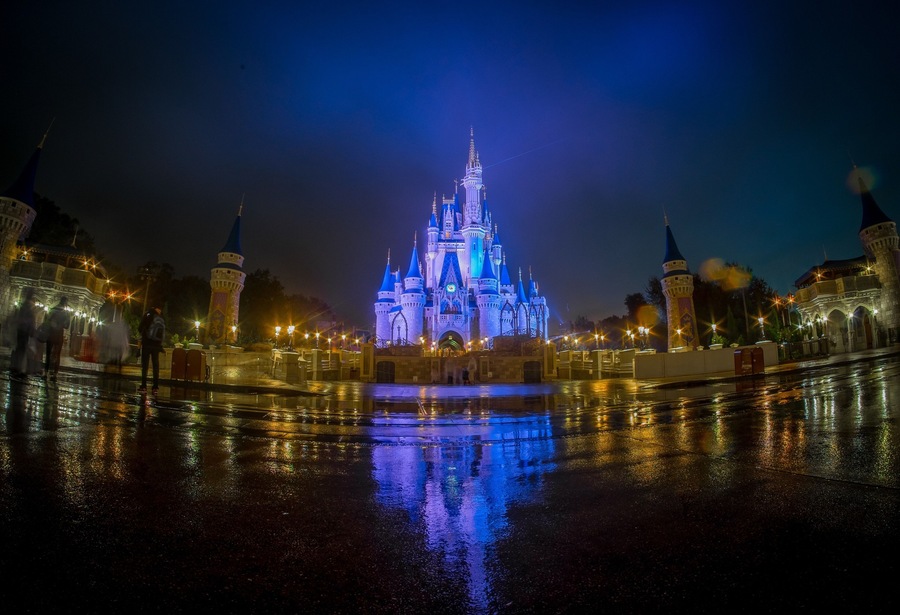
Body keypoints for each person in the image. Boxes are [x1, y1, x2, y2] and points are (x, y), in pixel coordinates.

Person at [10, 288, 37, 377]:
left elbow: (18, 317)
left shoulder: (23, 304)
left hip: (20, 329)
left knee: (19, 348)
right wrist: (32, 329)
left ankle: (16, 366)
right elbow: (32, 319)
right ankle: (21, 368)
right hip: (25, 330)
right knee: (23, 349)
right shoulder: (30, 306)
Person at [138, 306, 165, 393]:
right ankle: (155, 387)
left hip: (147, 344)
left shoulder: (147, 315)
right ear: (158, 309)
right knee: (155, 366)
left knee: (145, 366)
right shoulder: (160, 318)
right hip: (156, 345)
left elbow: (140, 328)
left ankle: (143, 386)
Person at [43, 296, 71, 380]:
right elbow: (66, 326)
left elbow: (46, 321)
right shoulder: (66, 313)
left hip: (51, 334)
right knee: (57, 354)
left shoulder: (52, 309)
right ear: (65, 303)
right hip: (59, 335)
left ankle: (45, 372)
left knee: (48, 353)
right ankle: (55, 374)